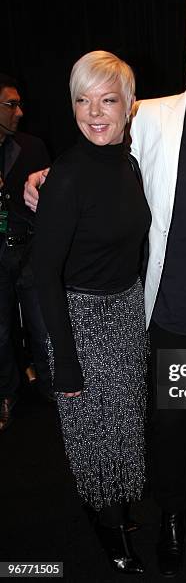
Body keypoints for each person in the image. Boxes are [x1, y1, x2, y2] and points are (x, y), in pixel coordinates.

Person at [24, 0, 186, 577]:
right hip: (161, 306)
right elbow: (96, 135)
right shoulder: (150, 116)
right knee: (165, 421)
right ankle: (170, 513)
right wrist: (43, 178)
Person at [31, 51, 151, 574]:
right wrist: (66, 360)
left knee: (125, 423)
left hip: (126, 311)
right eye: (83, 100)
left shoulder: (128, 164)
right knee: (93, 432)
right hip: (79, 319)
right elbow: (44, 275)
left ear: (129, 106)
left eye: (107, 100)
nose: (95, 112)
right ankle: (106, 522)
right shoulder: (66, 176)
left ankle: (116, 507)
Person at [0, 73, 52, 432]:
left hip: (31, 253)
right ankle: (7, 393)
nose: (19, 111)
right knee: (0, 331)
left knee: (43, 325)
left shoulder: (33, 146)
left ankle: (54, 389)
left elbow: (52, 202)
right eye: (11, 104)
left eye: (19, 103)